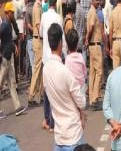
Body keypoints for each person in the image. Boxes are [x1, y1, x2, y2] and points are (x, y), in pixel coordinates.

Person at [43, 23, 86, 151]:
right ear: (61, 42)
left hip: (59, 136)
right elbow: (82, 102)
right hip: (73, 134)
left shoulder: (46, 69)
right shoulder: (64, 71)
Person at [0, 2, 27, 119]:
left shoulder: (8, 22)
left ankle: (17, 107)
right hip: (5, 57)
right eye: (12, 12)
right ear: (8, 12)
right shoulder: (4, 24)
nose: (13, 13)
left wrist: (13, 46)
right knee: (0, 83)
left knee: (12, 83)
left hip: (8, 56)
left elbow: (7, 39)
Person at [40, 0, 66, 129]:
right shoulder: (58, 17)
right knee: (56, 88)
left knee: (46, 89)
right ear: (55, 4)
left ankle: (48, 120)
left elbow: (40, 34)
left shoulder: (44, 17)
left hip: (46, 56)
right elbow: (63, 39)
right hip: (56, 56)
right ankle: (53, 120)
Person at [85, 0, 105, 110]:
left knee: (92, 72)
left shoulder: (92, 12)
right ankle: (95, 97)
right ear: (92, 1)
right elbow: (91, 27)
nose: (98, 2)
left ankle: (92, 98)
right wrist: (87, 38)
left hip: (93, 46)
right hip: (95, 45)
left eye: (98, 0)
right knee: (99, 72)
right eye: (96, 0)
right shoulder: (93, 12)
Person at [29, 0, 43, 105]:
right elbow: (38, 25)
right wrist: (43, 35)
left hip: (37, 39)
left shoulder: (36, 6)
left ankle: (39, 93)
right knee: (37, 68)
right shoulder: (37, 7)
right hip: (38, 39)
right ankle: (32, 94)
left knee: (40, 68)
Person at [65, 28, 86, 96]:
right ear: (77, 44)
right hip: (80, 88)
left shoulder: (67, 59)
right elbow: (84, 73)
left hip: (71, 88)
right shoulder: (81, 57)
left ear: (67, 45)